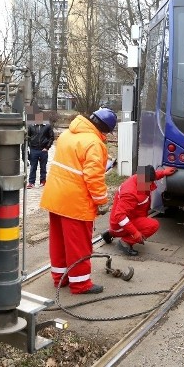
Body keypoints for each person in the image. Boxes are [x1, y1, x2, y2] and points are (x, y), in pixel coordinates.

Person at [40, 107, 117, 294]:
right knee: (78, 244)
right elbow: (93, 177)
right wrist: (102, 202)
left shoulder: (68, 134)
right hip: (75, 202)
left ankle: (60, 278)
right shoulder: (94, 143)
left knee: (58, 241)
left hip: (56, 197)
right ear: (105, 129)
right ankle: (80, 284)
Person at [101, 165, 177, 256]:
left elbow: (151, 176)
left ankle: (112, 232)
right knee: (153, 225)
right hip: (121, 222)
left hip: (124, 220)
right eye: (150, 182)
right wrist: (135, 233)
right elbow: (120, 216)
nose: (152, 184)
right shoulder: (130, 193)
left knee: (129, 225)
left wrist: (163, 173)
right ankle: (125, 242)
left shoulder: (139, 178)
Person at [26, 109, 55, 189]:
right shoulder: (31, 126)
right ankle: (31, 182)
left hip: (43, 150)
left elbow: (51, 137)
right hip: (34, 149)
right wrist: (29, 147)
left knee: (43, 167)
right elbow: (27, 137)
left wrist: (47, 147)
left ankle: (43, 181)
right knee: (33, 167)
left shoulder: (47, 126)